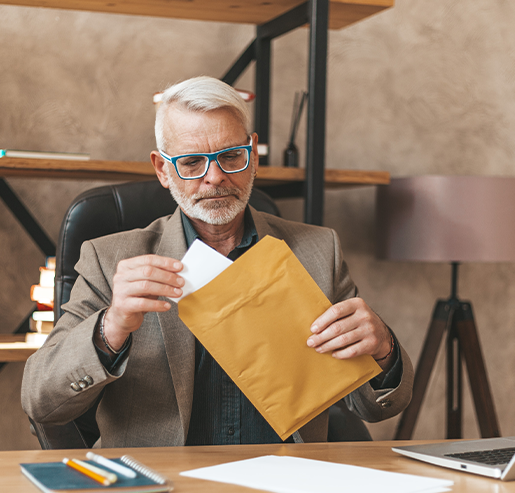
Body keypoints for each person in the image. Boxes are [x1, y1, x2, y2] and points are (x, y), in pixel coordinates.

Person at [21, 76, 413, 447]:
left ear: (253, 155)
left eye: (231, 156)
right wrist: (112, 326)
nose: (215, 177)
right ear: (163, 169)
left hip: (288, 482)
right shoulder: (110, 261)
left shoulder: (317, 250)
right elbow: (41, 401)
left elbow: (375, 407)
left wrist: (384, 348)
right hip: (166, 491)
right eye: (191, 162)